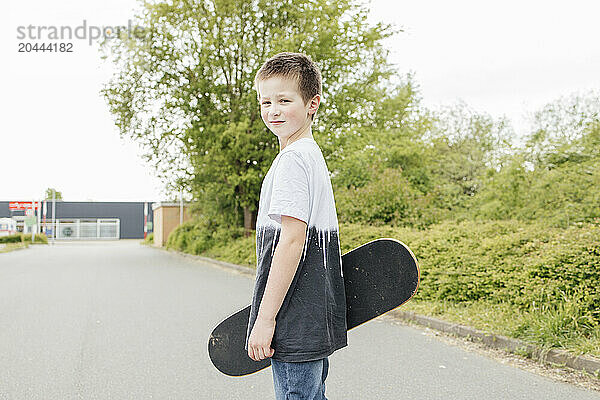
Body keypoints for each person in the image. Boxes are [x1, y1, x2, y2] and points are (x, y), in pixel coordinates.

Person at [246, 52, 348, 399]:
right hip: (314, 318)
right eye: (266, 101)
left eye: (285, 100)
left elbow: (292, 241)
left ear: (312, 104)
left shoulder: (292, 160)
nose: (273, 110)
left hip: (294, 318)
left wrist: (265, 319)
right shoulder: (310, 154)